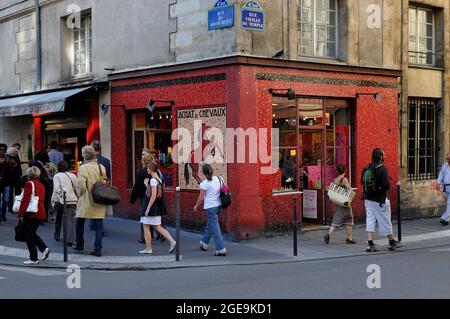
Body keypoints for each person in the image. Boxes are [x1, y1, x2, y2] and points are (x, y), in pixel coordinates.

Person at [363, 148, 402, 252]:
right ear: (380, 156)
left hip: (368, 198)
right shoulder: (382, 168)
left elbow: (362, 182)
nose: (384, 156)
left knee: (370, 220)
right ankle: (392, 242)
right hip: (380, 199)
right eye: (383, 154)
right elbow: (387, 185)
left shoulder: (367, 167)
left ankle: (370, 244)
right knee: (385, 220)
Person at [73, 146, 107, 257]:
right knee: (99, 224)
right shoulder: (101, 166)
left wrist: (79, 195)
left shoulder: (83, 168)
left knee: (79, 221)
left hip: (87, 198)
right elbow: (105, 181)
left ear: (85, 155)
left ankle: (79, 244)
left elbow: (81, 186)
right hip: (100, 198)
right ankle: (98, 249)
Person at [139, 163, 176, 254]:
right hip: (157, 207)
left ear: (151, 169)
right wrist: (146, 185)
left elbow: (153, 195)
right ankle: (171, 241)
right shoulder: (158, 179)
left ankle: (149, 248)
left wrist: (147, 208)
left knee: (147, 227)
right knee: (156, 226)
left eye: (148, 168)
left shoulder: (153, 180)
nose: (147, 170)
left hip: (152, 208)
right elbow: (152, 192)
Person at [18, 167, 50, 265]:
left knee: (29, 236)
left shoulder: (29, 184)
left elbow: (25, 200)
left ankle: (33, 258)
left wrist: (20, 214)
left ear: (29, 174)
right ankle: (44, 249)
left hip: (31, 213)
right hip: (39, 212)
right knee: (32, 233)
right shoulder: (41, 185)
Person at [194, 164, 227, 256]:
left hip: (210, 207)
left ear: (203, 173)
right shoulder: (219, 179)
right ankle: (204, 243)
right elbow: (225, 189)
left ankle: (221, 249)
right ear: (212, 170)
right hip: (219, 206)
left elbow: (201, 198)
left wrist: (196, 206)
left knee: (215, 228)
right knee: (211, 224)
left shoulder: (204, 184)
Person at [324, 165, 357, 245]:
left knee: (338, 218)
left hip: (337, 202)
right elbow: (349, 189)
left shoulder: (335, 180)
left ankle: (348, 237)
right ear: (344, 171)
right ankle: (330, 234)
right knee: (349, 218)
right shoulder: (344, 179)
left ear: (338, 171)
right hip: (344, 202)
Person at [52, 160, 78, 246]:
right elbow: (77, 188)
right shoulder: (73, 175)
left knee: (58, 218)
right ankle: (70, 240)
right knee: (70, 220)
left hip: (60, 201)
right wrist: (77, 198)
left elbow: (56, 189)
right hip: (72, 200)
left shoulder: (57, 176)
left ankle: (56, 235)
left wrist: (61, 196)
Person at [89, 140, 111, 234]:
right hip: (102, 186)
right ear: (100, 149)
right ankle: (92, 224)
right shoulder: (106, 161)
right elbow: (108, 176)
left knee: (93, 205)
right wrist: (107, 186)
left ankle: (99, 227)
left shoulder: (89, 161)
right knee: (100, 207)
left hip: (92, 186)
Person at [131, 152, 152, 244]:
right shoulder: (155, 171)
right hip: (153, 196)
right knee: (152, 216)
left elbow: (137, 187)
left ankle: (144, 237)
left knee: (143, 217)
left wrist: (132, 199)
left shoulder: (143, 172)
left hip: (144, 197)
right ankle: (154, 234)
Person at [1, 155, 22, 222]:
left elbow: (15, 174)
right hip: (1, 184)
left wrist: (14, 165)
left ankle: (3, 215)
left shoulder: (12, 166)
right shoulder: (3, 165)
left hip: (7, 185)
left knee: (6, 200)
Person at [437, 153, 450, 226]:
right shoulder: (444, 165)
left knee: (449, 203)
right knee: (448, 203)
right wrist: (438, 183)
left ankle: (445, 218)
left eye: (449, 158)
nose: (448, 160)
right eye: (447, 158)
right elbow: (441, 174)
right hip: (447, 187)